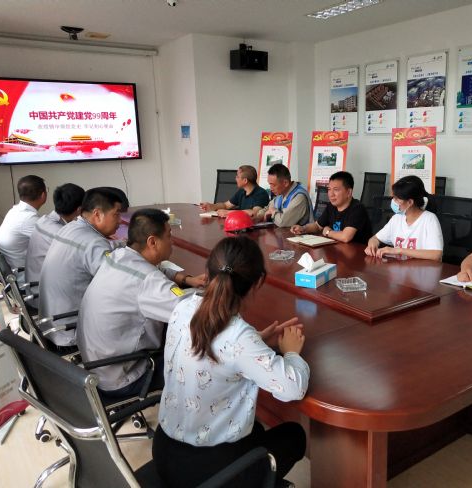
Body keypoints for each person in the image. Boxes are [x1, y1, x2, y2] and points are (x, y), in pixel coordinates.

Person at [153, 236, 308, 488]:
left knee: (257, 430)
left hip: (164, 452)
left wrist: (257, 340)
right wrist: (291, 353)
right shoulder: (238, 336)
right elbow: (293, 388)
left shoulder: (183, 307)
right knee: (294, 435)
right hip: (208, 475)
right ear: (258, 282)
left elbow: (213, 347)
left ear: (207, 272)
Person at [77, 208, 206, 397]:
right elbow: (194, 314)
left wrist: (186, 280)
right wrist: (215, 293)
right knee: (203, 359)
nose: (172, 242)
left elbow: (153, 272)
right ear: (152, 242)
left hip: (95, 365)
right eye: (169, 236)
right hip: (123, 378)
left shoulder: (118, 257)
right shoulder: (148, 281)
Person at [38, 187, 126, 346]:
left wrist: (121, 245)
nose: (120, 221)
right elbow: (121, 283)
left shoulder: (70, 228)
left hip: (52, 322)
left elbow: (92, 249)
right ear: (97, 214)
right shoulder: (93, 243)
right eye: (117, 214)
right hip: (71, 328)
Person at [25, 183, 85, 309]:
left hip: (34, 288)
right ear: (79, 209)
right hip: (46, 297)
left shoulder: (43, 220)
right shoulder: (61, 234)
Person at [365, 176, 443, 261]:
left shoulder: (430, 219)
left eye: (397, 199)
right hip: (398, 267)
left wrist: (399, 250)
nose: (393, 201)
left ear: (410, 202)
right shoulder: (396, 218)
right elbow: (375, 238)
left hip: (420, 268)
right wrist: (372, 245)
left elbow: (436, 254)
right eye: (393, 197)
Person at [291, 171, 372, 244]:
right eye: (329, 189)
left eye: (336, 190)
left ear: (349, 192)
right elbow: (317, 226)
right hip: (336, 248)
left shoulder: (358, 209)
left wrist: (328, 232)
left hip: (357, 252)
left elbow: (346, 237)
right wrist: (303, 228)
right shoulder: (331, 206)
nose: (331, 194)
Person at [0, 175, 47, 282]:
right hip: (26, 278)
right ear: (43, 195)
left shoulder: (14, 211)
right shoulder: (29, 219)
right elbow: (56, 244)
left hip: (13, 272)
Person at [256, 163, 313, 227]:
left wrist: (273, 211)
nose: (271, 188)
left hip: (301, 233)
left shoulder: (299, 197)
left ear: (285, 183)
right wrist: (258, 217)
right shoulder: (281, 194)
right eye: (270, 184)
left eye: (273, 185)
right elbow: (268, 208)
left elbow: (283, 222)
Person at [200, 165, 270, 217]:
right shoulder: (242, 191)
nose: (235, 178)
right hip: (241, 226)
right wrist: (212, 206)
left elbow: (255, 213)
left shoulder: (261, 194)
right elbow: (226, 205)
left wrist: (228, 213)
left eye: (237, 176)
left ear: (245, 180)